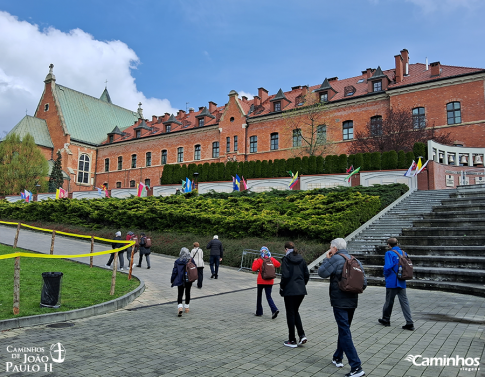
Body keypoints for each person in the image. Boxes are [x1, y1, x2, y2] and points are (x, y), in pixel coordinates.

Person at [318, 238, 366, 377]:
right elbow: (364, 282)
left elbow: (322, 273)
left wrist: (327, 259)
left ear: (335, 248)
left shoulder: (335, 259)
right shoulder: (354, 259)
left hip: (339, 301)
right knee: (344, 328)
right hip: (352, 300)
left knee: (344, 331)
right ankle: (338, 357)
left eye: (330, 247)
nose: (330, 249)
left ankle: (356, 367)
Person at [379, 237, 414, 331]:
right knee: (404, 302)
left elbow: (388, 267)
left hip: (392, 281)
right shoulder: (403, 253)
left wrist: (385, 275)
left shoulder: (389, 253)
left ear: (388, 245)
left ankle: (386, 320)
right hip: (402, 280)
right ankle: (409, 322)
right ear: (397, 243)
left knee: (389, 301)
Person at [280, 241, 309, 348]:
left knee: (290, 313)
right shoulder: (301, 259)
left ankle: (292, 340)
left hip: (289, 290)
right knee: (295, 311)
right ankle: (302, 335)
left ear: (286, 249)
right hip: (300, 290)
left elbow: (285, 276)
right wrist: (302, 285)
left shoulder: (286, 259)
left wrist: (282, 287)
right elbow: (306, 274)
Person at [251, 246, 281, 319]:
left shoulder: (259, 260)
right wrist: (272, 259)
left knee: (259, 296)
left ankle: (259, 312)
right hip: (270, 281)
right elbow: (278, 264)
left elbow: (254, 269)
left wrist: (255, 261)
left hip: (261, 281)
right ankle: (274, 309)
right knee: (269, 296)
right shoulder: (272, 259)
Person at [171, 247, 195, 316]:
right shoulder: (191, 260)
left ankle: (180, 308)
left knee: (180, 294)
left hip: (180, 279)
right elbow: (194, 268)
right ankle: (187, 308)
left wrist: (172, 279)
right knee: (188, 292)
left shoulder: (177, 261)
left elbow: (174, 272)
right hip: (189, 279)